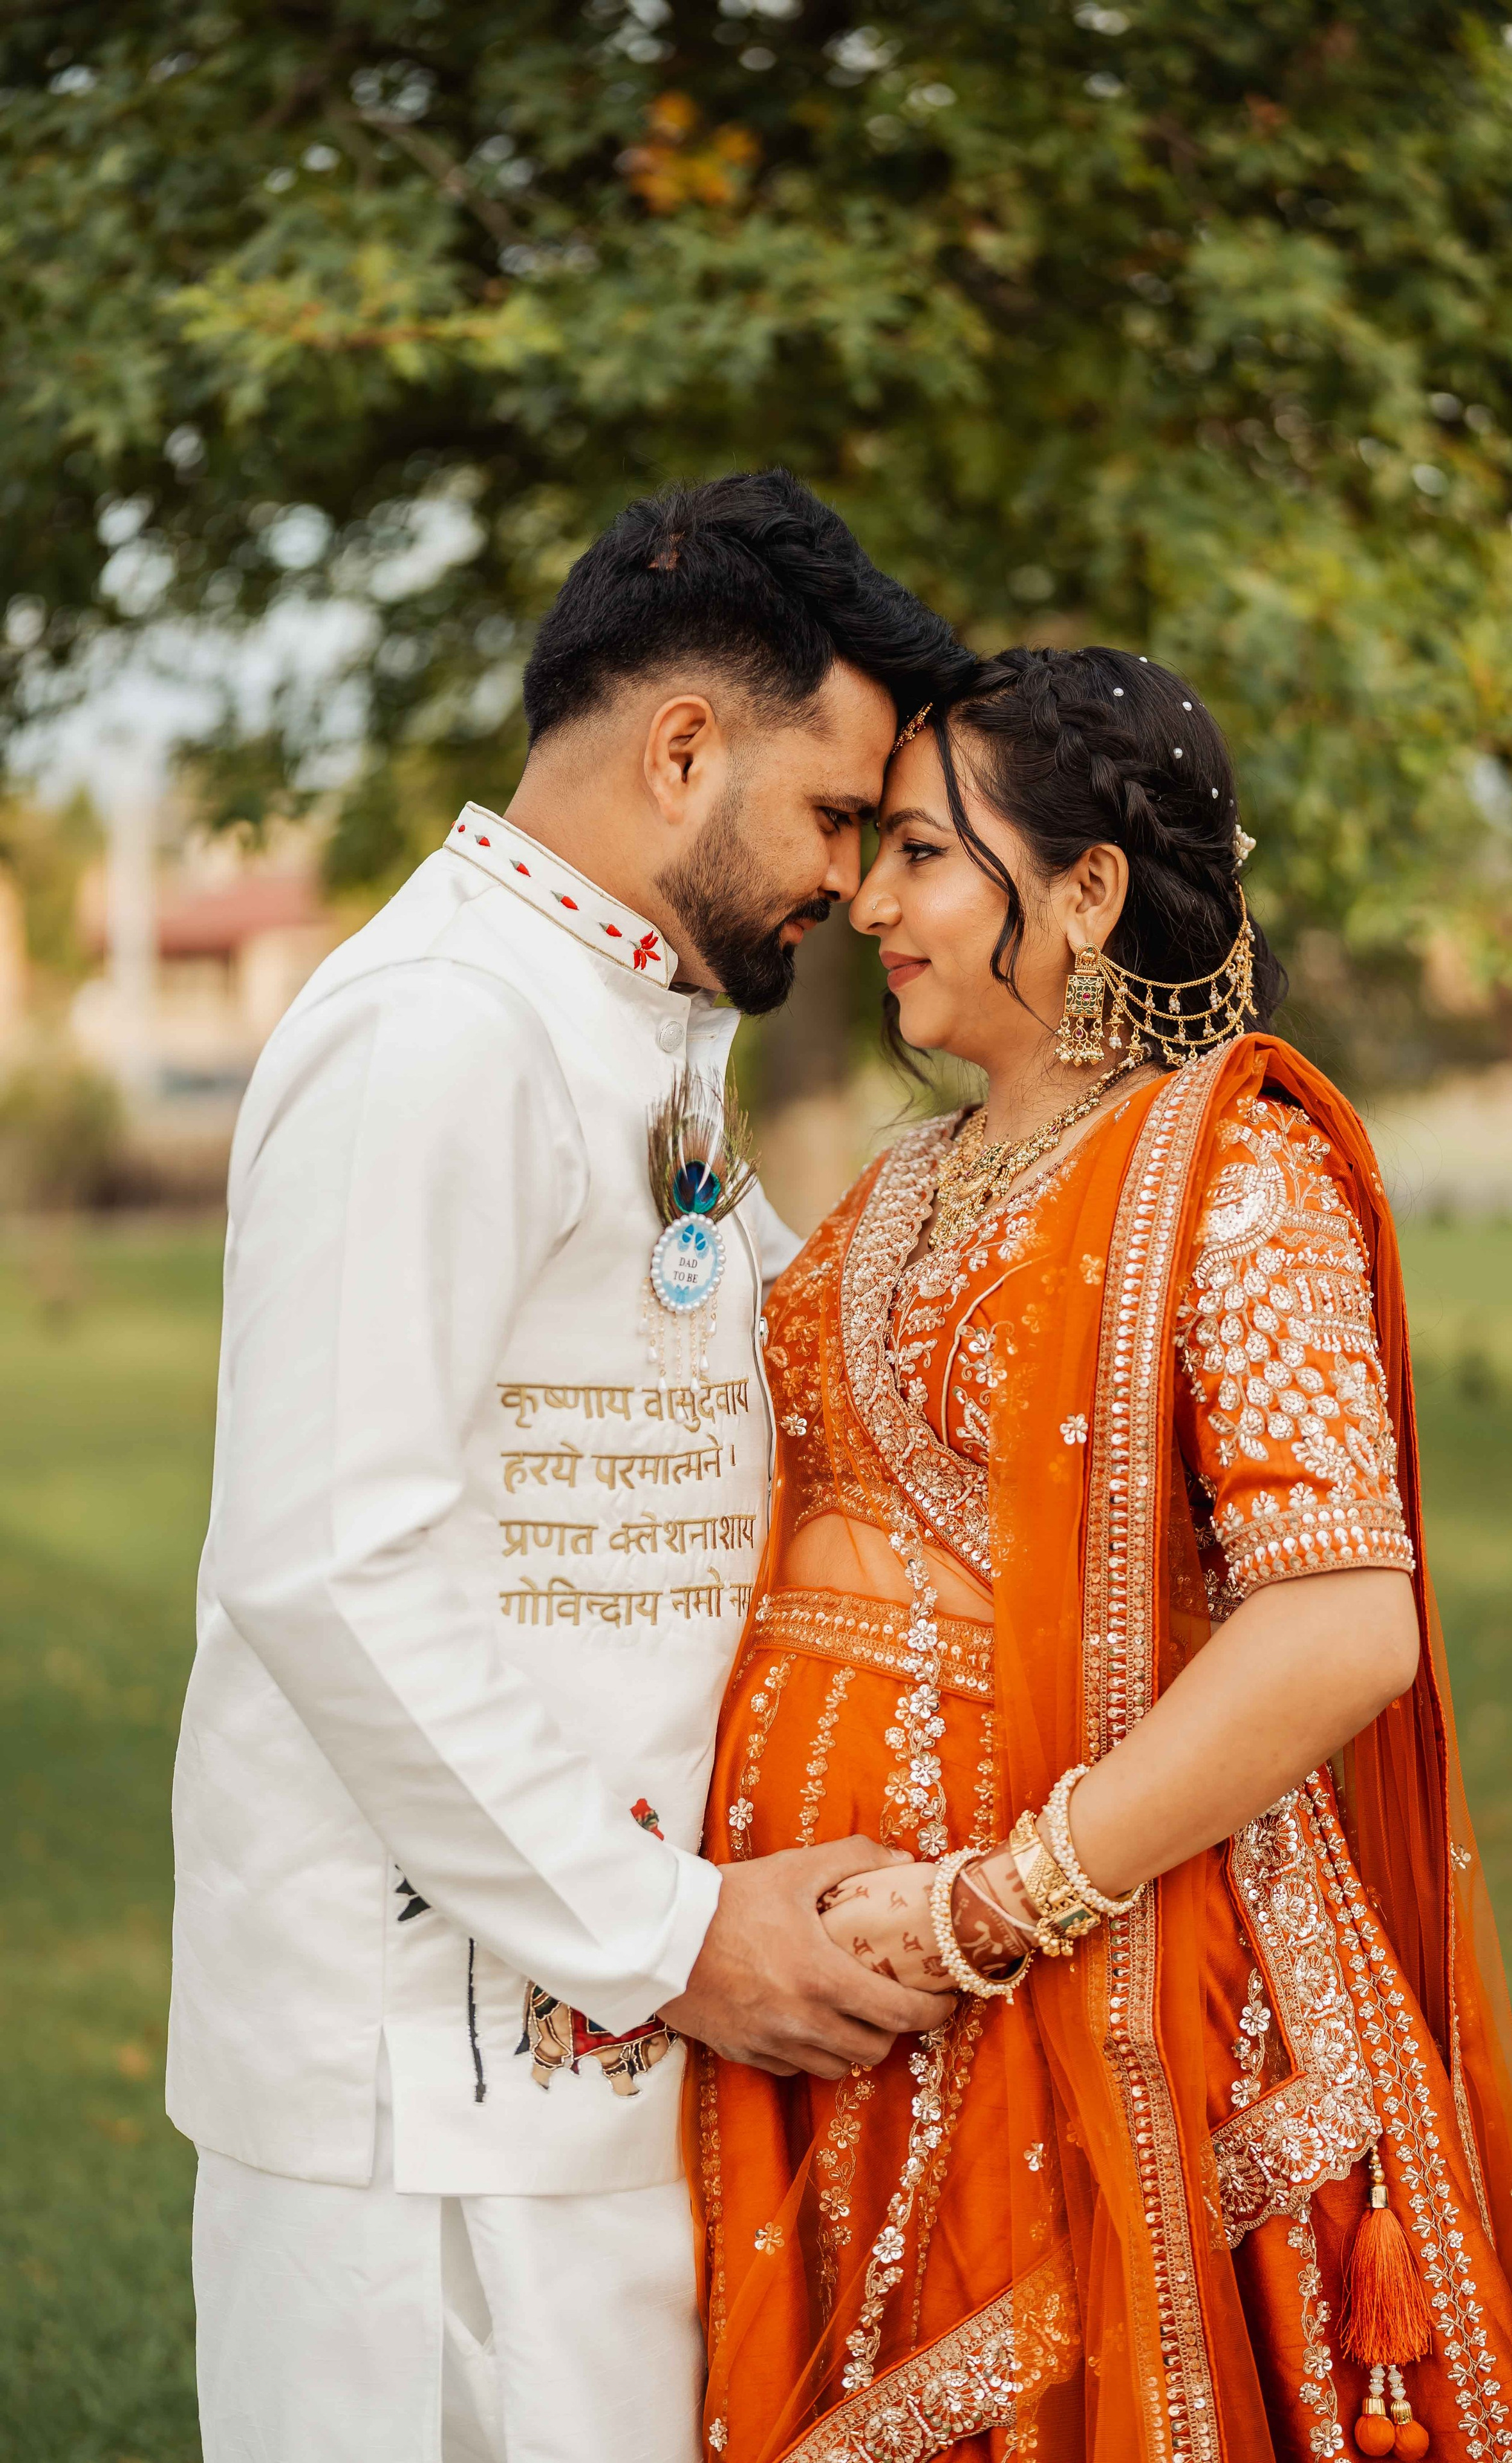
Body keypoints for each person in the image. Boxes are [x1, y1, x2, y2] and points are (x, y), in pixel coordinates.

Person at [693, 648, 1512, 2463]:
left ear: (1088, 889)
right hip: (837, 1994)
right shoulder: (906, 1173)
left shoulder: (1241, 1177)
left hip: (1087, 1980)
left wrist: (988, 1908)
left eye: (928, 855)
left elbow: (1343, 1630)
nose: (872, 898)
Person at [166, 470, 970, 2463]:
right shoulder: (440, 1030)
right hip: (406, 2102)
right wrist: (681, 1936)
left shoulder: (625, 1028)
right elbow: (330, 1565)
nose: (857, 888)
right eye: (838, 816)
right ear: (683, 745)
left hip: (594, 2026)